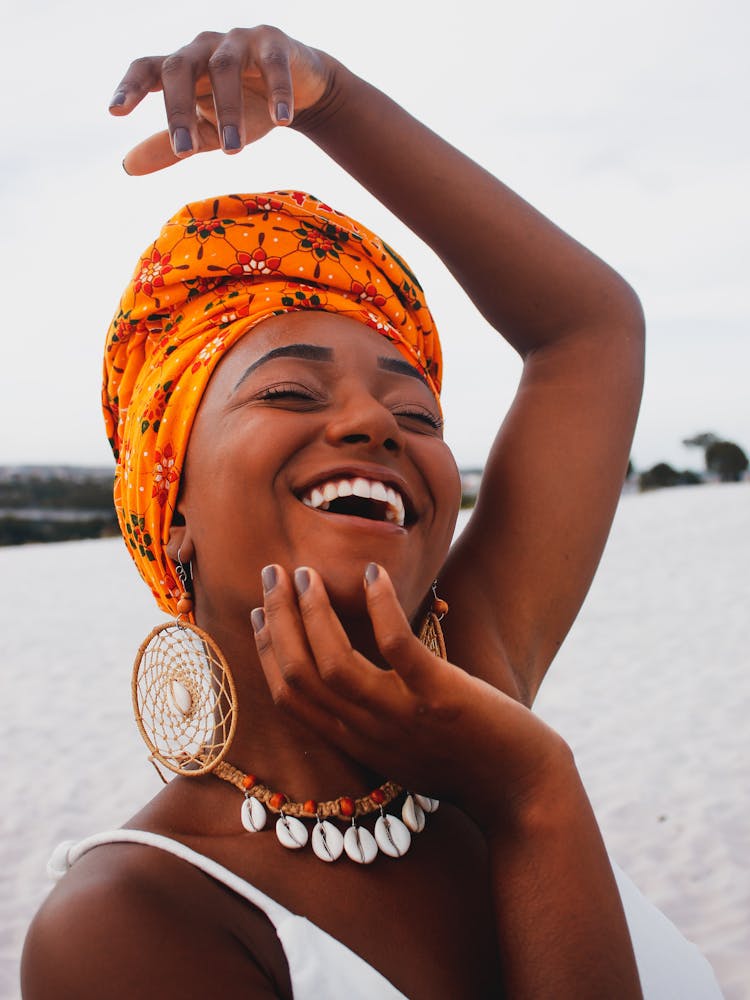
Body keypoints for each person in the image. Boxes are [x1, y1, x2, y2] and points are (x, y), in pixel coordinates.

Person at [20, 24, 720, 1000]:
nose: (371, 423)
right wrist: (532, 795)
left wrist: (334, 102)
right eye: (293, 395)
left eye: (416, 411)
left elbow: (590, 331)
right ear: (170, 503)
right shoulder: (132, 922)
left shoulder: (477, 680)